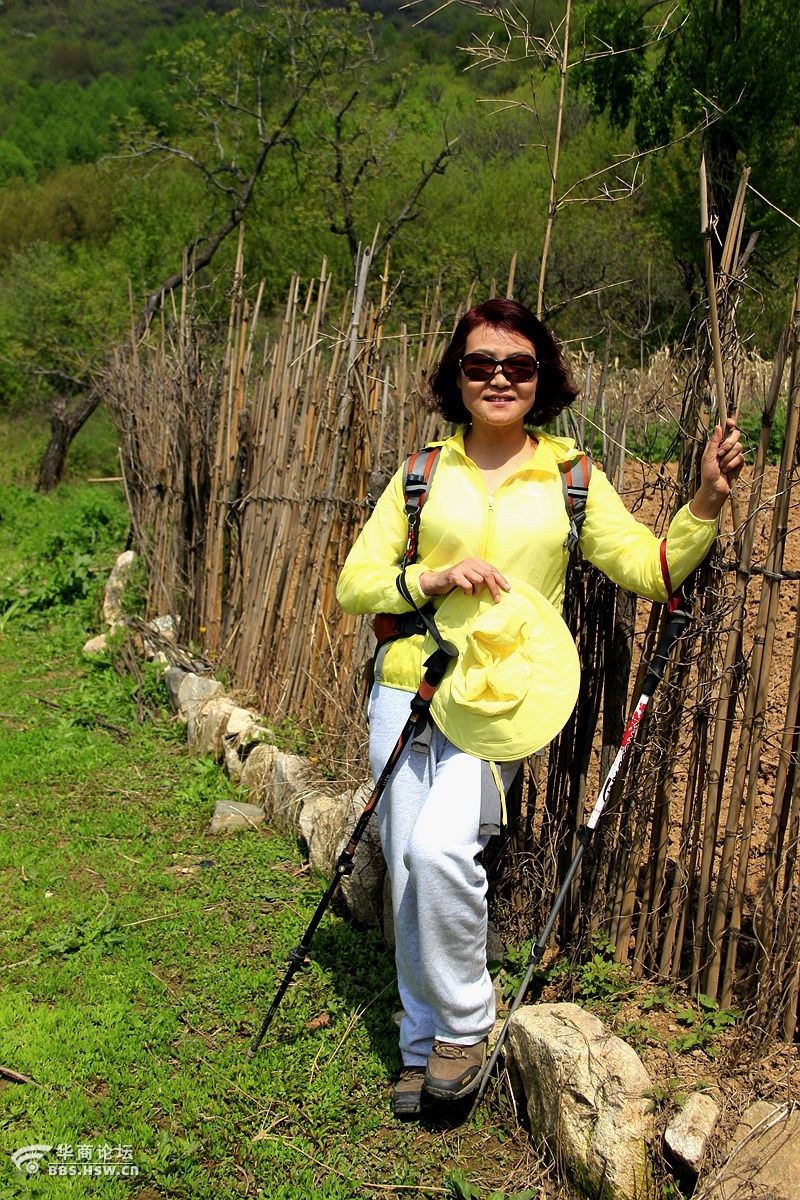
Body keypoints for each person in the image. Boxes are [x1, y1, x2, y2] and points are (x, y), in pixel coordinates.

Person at [336, 298, 743, 1118]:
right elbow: (355, 584)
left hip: (504, 703)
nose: (498, 378)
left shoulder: (571, 476)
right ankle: (422, 1048)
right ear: (457, 375)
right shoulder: (421, 473)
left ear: (541, 379)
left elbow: (649, 565)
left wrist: (703, 504)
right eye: (481, 364)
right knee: (411, 861)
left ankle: (463, 1026)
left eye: (517, 366)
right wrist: (431, 578)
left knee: (447, 849)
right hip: (407, 684)